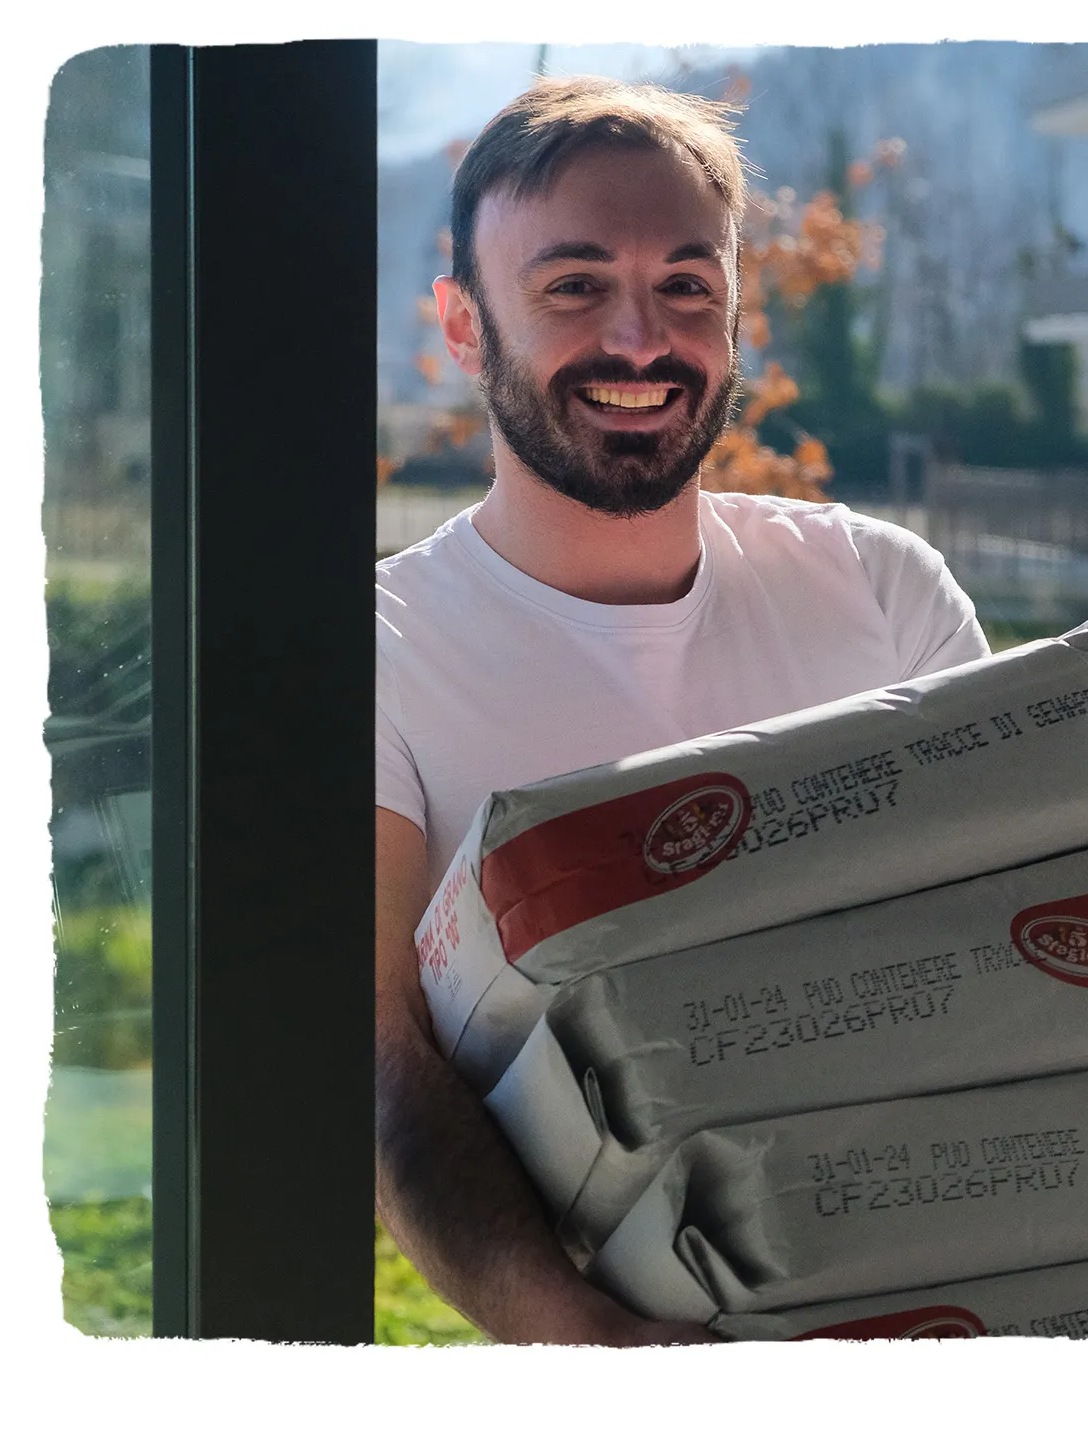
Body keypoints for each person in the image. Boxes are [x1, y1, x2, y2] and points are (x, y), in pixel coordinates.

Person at [374, 76, 992, 1346]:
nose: (642, 341)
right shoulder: (378, 649)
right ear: (462, 326)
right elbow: (381, 1068)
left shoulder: (886, 592)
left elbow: (1014, 946)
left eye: (687, 286)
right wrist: (596, 1350)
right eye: (573, 286)